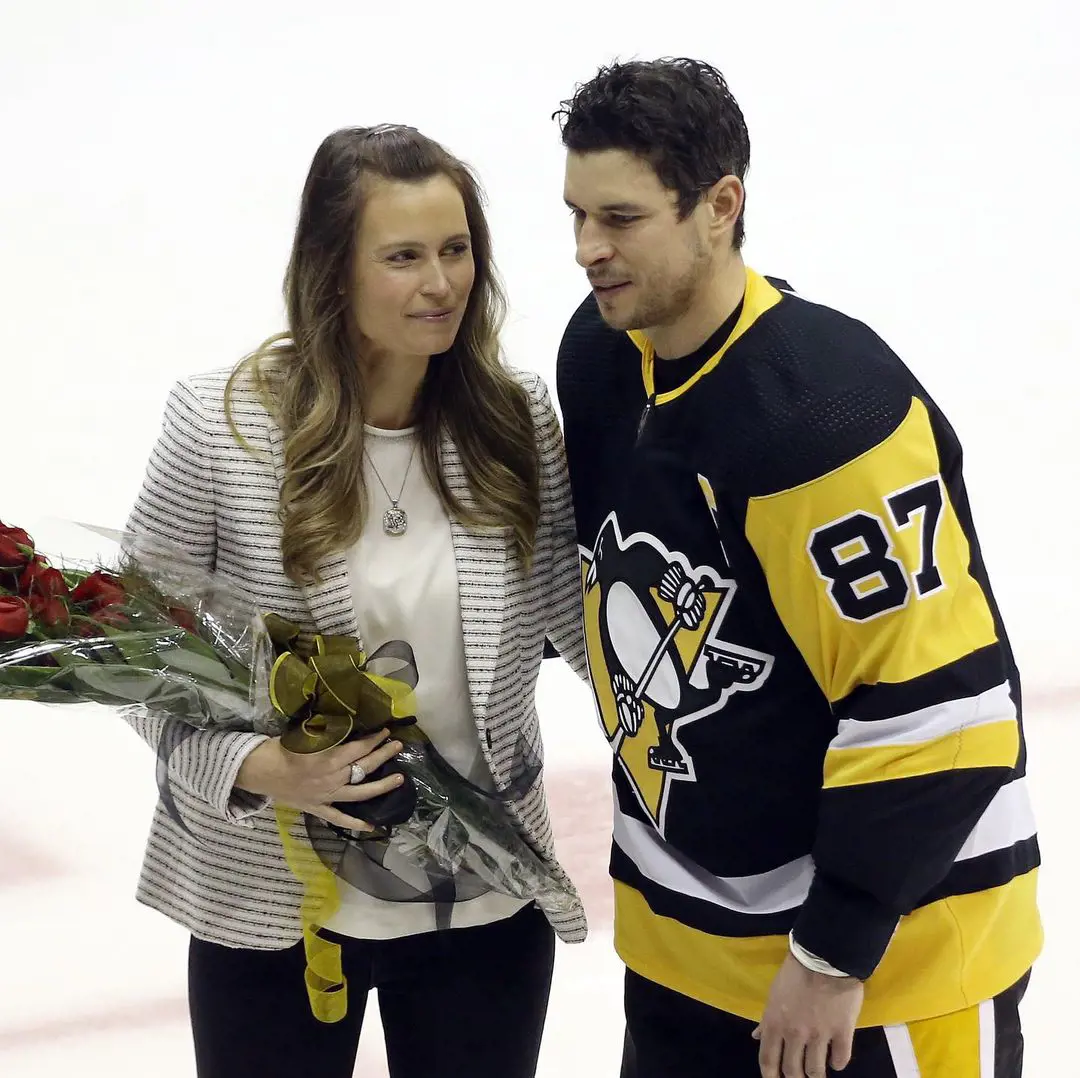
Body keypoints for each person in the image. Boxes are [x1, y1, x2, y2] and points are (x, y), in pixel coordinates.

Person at [553, 58, 1041, 1078]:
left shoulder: (823, 419)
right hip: (684, 954)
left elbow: (941, 713)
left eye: (622, 219)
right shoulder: (602, 358)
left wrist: (831, 953)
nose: (589, 249)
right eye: (577, 215)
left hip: (880, 974)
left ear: (720, 205)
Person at [123, 124, 588, 1078]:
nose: (441, 283)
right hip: (273, 909)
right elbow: (136, 658)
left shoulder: (515, 420)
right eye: (405, 257)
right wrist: (260, 766)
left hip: (486, 900)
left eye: (457, 251)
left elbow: (583, 629)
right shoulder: (220, 427)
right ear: (334, 271)